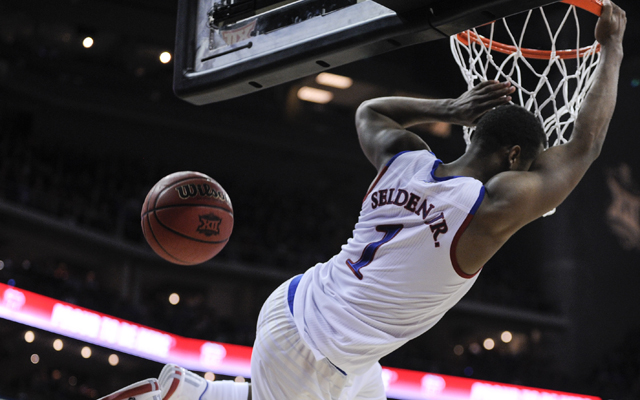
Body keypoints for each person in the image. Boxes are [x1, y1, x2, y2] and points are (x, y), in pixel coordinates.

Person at [99, 1, 626, 399]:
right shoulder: (489, 208)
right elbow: (585, 145)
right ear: (514, 156)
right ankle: (192, 393)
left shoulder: (407, 160)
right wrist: (614, 47)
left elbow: (370, 112)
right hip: (316, 347)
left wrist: (451, 106)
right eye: (529, 165)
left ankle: (183, 391)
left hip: (305, 310)